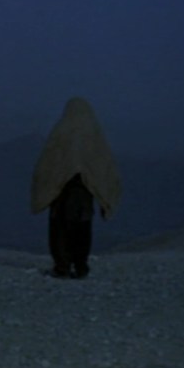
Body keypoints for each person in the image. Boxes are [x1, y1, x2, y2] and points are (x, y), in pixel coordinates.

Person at [30, 97, 122, 279]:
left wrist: (49, 185)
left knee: (59, 228)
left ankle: (62, 266)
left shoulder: (61, 131)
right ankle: (81, 267)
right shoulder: (94, 134)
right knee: (82, 229)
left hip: (61, 190)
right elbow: (104, 165)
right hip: (84, 193)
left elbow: (48, 161)